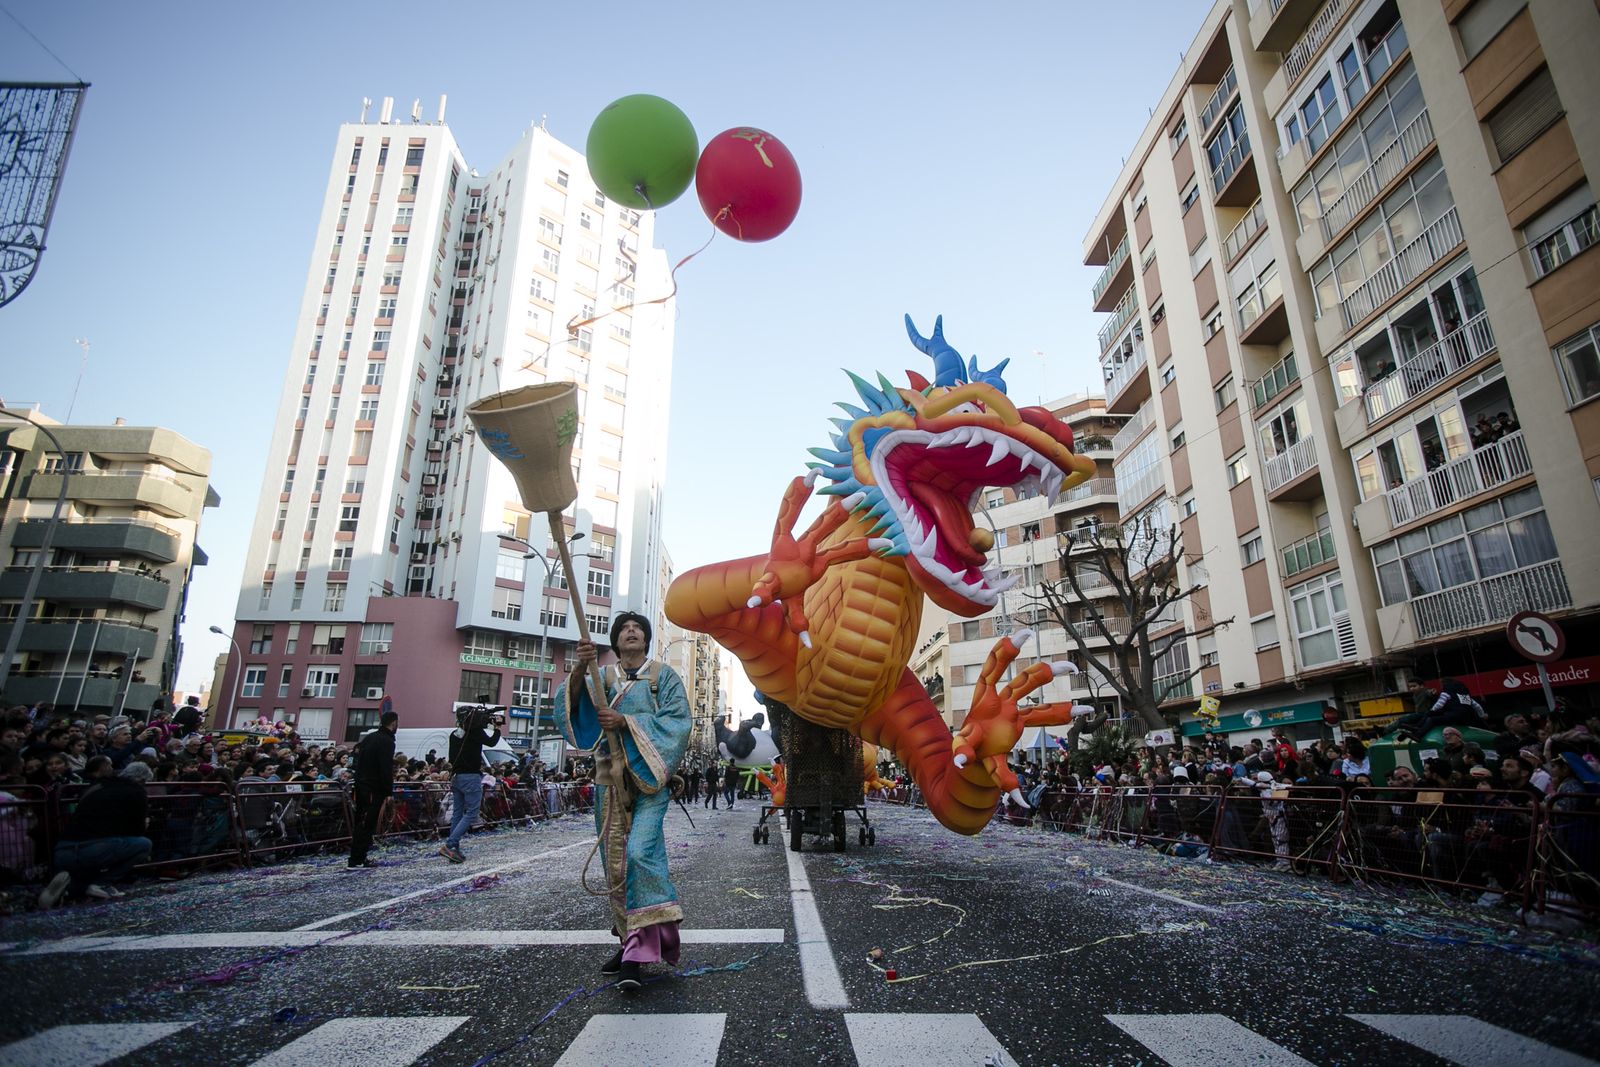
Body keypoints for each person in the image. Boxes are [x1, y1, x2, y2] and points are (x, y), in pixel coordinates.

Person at [556, 610, 691, 992]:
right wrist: (581, 669)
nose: (631, 632)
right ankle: (627, 940)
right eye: (624, 629)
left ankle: (639, 953)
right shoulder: (604, 677)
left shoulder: (663, 677)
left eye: (637, 628)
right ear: (615, 641)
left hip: (649, 782)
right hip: (609, 782)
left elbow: (679, 723)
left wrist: (627, 722)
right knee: (614, 865)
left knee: (639, 854)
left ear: (646, 639)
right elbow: (572, 711)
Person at [37, 757, 153, 907]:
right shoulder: (137, 792)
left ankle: (72, 887)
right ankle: (101, 883)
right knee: (143, 844)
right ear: (142, 780)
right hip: (95, 848)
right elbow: (137, 830)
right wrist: (144, 824)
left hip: (63, 848)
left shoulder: (96, 786)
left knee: (92, 861)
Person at [440, 702, 502, 863]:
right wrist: (497, 729)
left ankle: (454, 850)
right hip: (471, 777)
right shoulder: (474, 732)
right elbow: (491, 742)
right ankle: (450, 844)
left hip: (457, 777)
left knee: (457, 813)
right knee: (472, 813)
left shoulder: (455, 734)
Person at [348, 707, 399, 868]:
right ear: (394, 723)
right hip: (372, 787)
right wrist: (388, 791)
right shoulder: (386, 741)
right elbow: (385, 767)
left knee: (362, 821)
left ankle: (358, 857)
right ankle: (357, 858)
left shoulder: (370, 738)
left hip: (362, 784)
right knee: (366, 823)